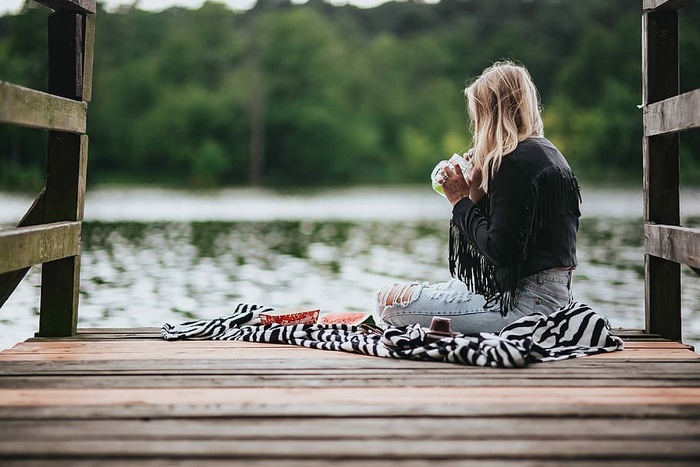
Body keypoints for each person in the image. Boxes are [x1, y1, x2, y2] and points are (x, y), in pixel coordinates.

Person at [376, 60, 581, 334]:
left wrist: (460, 200)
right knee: (404, 293)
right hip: (552, 298)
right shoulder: (545, 152)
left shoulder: (512, 162)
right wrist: (476, 191)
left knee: (388, 304)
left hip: (525, 307)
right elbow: (513, 241)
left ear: (491, 113)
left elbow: (497, 251)